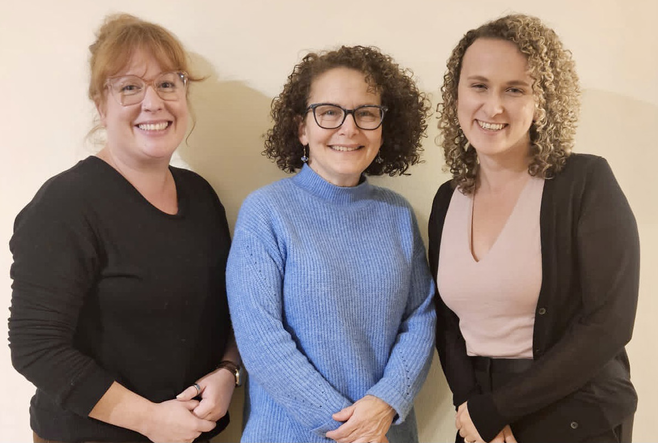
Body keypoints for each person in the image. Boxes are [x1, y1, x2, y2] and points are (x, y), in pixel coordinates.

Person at [8, 13, 240, 443]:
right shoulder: (65, 204)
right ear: (101, 104)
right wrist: (151, 421)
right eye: (130, 87)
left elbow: (231, 305)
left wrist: (229, 372)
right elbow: (36, 348)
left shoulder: (201, 196)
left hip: (196, 434)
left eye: (168, 83)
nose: (153, 103)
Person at [429, 14, 639, 443]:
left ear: (542, 101)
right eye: (479, 85)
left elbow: (609, 323)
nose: (494, 106)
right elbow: (447, 322)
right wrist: (472, 408)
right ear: (456, 95)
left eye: (515, 89)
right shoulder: (446, 199)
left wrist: (498, 409)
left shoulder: (585, 182)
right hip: (482, 422)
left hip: (577, 416)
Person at [225, 45, 436, 443]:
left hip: (387, 432)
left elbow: (420, 320)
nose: (349, 128)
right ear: (302, 128)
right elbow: (261, 340)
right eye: (329, 112)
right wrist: (351, 429)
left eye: (366, 113)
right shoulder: (266, 212)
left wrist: (386, 403)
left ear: (384, 127)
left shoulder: (398, 214)